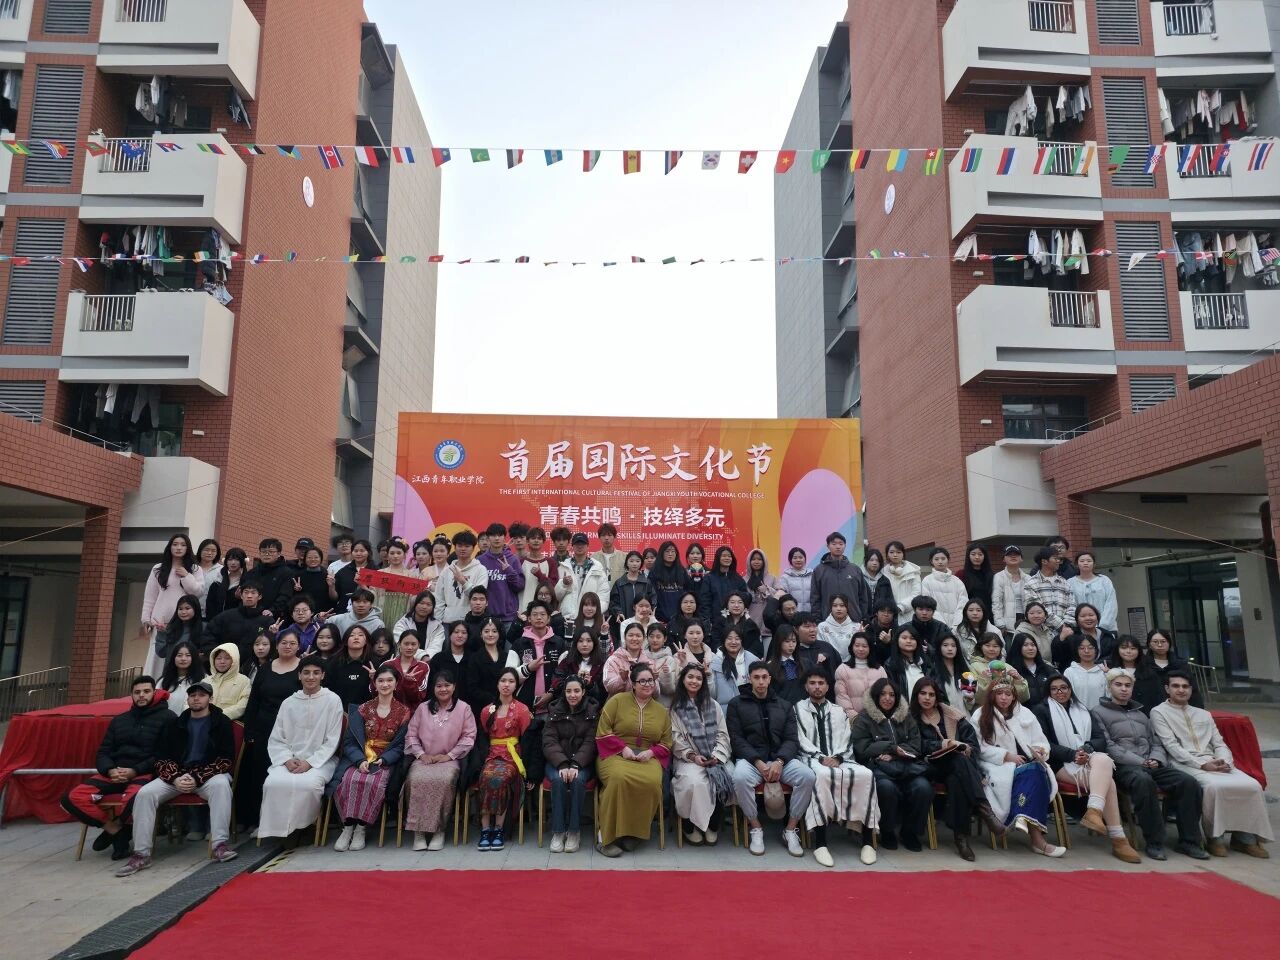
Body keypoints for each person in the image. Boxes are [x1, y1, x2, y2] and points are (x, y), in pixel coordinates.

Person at [115, 681, 237, 876]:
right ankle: (141, 854)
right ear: (187, 699)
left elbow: (225, 759)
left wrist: (197, 777)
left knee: (222, 786)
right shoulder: (175, 723)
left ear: (210, 699)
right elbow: (161, 757)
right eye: (192, 695)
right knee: (145, 794)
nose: (196, 698)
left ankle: (219, 845)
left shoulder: (221, 722)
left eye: (201, 695)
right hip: (177, 776)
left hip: (207, 776)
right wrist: (176, 778)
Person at [1151, 670, 1272, 858]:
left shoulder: (1203, 714)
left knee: (1252, 785)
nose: (1181, 690)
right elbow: (1171, 746)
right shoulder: (1159, 712)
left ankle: (1245, 838)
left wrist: (1225, 762)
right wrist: (1202, 765)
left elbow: (1219, 743)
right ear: (1167, 689)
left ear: (1191, 689)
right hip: (1183, 763)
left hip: (1215, 761)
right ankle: (1215, 838)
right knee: (1215, 787)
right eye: (1176, 686)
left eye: (1185, 686)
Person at [1092, 669, 1208, 861]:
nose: (1123, 689)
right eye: (1118, 685)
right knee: (1144, 782)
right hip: (1123, 767)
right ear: (1109, 687)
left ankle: (1189, 842)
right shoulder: (1098, 712)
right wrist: (1141, 762)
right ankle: (1155, 842)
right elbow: (1109, 746)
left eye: (1128, 685)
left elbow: (1156, 742)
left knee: (1188, 782)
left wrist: (1157, 759)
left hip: (1152, 764)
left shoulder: (1141, 714)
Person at [61, 676, 172, 860]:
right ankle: (114, 829)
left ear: (154, 692)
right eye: (137, 692)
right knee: (71, 798)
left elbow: (164, 755)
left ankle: (120, 837)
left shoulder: (168, 718)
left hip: (144, 773)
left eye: (146, 691)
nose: (141, 695)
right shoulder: (119, 720)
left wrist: (134, 770)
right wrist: (110, 770)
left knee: (135, 800)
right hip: (113, 773)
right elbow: (103, 752)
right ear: (131, 695)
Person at [1033, 674, 1141, 863]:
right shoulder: (1041, 710)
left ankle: (1095, 811)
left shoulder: (1083, 709)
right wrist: (1073, 755)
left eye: (1064, 687)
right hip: (1060, 764)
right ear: (1048, 692)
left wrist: (1087, 749)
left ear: (1070, 689)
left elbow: (1100, 739)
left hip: (1089, 759)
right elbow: (1044, 743)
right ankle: (1118, 838)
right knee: (1109, 784)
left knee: (1103, 759)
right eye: (1054, 689)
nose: (1060, 692)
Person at [910, 676, 1004, 861]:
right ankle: (985, 812)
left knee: (957, 776)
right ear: (916, 695)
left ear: (937, 697)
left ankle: (962, 838)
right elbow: (917, 746)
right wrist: (944, 744)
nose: (927, 698)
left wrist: (964, 748)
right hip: (928, 766)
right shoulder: (911, 718)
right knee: (958, 763)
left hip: (957, 767)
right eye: (923, 693)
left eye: (931, 694)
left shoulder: (953, 715)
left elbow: (974, 746)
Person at [726, 662, 814, 857]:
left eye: (764, 677)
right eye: (756, 677)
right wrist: (757, 761)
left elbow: (792, 739)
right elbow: (736, 739)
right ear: (749, 679)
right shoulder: (736, 704)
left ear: (770, 679)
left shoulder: (784, 705)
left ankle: (790, 829)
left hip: (781, 759)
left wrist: (780, 761)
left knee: (807, 776)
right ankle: (756, 826)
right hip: (751, 760)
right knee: (739, 778)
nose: (761, 682)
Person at [794, 668, 879, 867]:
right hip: (811, 758)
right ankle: (820, 843)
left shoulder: (838, 710)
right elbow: (799, 739)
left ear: (827, 686)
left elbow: (847, 738)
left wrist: (838, 757)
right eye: (812, 683)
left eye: (821, 683)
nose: (817, 687)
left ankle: (868, 841)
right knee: (822, 776)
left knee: (866, 775)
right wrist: (821, 757)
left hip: (841, 757)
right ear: (806, 686)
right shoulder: (797, 709)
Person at [972, 679, 1065, 857]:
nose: (1004, 698)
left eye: (1008, 694)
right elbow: (978, 748)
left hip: (1030, 764)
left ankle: (1021, 815)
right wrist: (1006, 756)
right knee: (1035, 773)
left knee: (1036, 770)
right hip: (999, 766)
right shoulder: (980, 715)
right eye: (999, 694)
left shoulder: (1025, 713)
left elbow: (1041, 741)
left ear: (1014, 696)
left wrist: (1041, 750)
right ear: (992, 695)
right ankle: (1038, 841)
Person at [328, 666, 410, 851]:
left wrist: (385, 759)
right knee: (348, 780)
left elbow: (401, 745)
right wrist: (359, 760)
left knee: (372, 782)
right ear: (374, 683)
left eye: (389, 680)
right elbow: (349, 742)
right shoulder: (363, 709)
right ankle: (347, 827)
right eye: (380, 680)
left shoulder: (404, 712)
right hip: (360, 756)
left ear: (396, 683)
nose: (385, 684)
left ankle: (361, 828)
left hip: (385, 760)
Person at [595, 663, 672, 857]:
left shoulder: (661, 711)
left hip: (647, 757)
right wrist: (622, 748)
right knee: (618, 778)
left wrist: (652, 752)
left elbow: (666, 743)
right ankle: (605, 838)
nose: (647, 684)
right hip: (614, 753)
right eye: (642, 681)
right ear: (634, 684)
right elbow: (603, 732)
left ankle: (633, 833)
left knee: (652, 782)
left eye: (650, 680)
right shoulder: (617, 701)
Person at [850, 678, 931, 851]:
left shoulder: (906, 716)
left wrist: (894, 755)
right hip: (878, 767)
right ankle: (887, 831)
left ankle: (910, 833)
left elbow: (916, 745)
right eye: (883, 694)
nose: (888, 698)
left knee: (923, 787)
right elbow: (861, 749)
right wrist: (891, 747)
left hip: (906, 766)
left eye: (892, 695)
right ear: (876, 696)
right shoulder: (864, 718)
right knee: (886, 788)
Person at [403, 670, 476, 850]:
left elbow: (469, 736)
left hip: (449, 760)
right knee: (415, 779)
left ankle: (439, 830)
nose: (443, 689)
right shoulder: (423, 708)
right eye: (439, 686)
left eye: (447, 685)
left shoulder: (464, 708)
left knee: (443, 780)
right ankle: (419, 832)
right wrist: (421, 754)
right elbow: (411, 735)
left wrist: (449, 755)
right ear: (433, 688)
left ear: (454, 687)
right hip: (424, 759)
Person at [237, 633, 303, 832]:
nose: (288, 646)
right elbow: (254, 701)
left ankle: (285, 822)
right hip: (264, 728)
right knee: (260, 774)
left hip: (293, 731)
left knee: (285, 775)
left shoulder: (304, 668)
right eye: (284, 643)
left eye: (292, 643)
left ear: (299, 646)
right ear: (277, 645)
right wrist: (249, 730)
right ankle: (258, 820)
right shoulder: (266, 668)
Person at [669, 664, 733, 847]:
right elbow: (675, 738)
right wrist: (692, 756)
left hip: (716, 757)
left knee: (727, 777)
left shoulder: (713, 705)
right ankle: (689, 827)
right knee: (694, 782)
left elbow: (723, 734)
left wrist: (717, 756)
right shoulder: (676, 708)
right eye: (690, 677)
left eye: (699, 678)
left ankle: (713, 825)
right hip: (688, 758)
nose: (694, 681)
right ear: (683, 680)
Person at [476, 668, 532, 851]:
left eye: (511, 681)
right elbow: (483, 736)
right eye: (503, 681)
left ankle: (499, 828)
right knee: (486, 777)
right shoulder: (487, 710)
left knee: (500, 779)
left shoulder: (522, 710)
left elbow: (527, 738)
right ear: (497, 683)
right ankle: (485, 829)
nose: (506, 685)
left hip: (512, 757)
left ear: (516, 685)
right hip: (491, 755)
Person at [541, 676, 599, 853]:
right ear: (564, 693)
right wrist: (562, 764)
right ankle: (558, 832)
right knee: (558, 781)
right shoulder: (555, 711)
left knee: (578, 780)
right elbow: (549, 741)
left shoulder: (592, 712)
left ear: (583, 692)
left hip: (582, 763)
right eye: (568, 691)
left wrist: (575, 765)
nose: (572, 695)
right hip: (557, 762)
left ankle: (574, 831)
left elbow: (590, 742)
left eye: (576, 691)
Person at [140, 535, 206, 678]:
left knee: (181, 656)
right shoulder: (158, 568)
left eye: (183, 545)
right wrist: (146, 619)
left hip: (185, 623)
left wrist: (186, 576)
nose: (178, 548)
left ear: (188, 548)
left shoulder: (195, 569)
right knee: (157, 658)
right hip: (160, 622)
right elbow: (150, 597)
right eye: (175, 544)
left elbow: (198, 592)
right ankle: (155, 687)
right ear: (169, 547)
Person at [200, 582, 271, 667]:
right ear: (241, 595)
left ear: (259, 596)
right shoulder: (226, 616)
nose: (249, 596)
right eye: (246, 592)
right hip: (224, 665)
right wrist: (218, 655)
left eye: (253, 593)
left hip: (254, 667)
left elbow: (271, 645)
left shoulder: (266, 620)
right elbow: (208, 636)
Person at [464, 616, 521, 720]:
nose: (490, 634)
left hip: (507, 706)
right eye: (486, 631)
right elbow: (472, 687)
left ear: (499, 634)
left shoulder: (507, 657)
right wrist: (493, 699)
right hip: (482, 708)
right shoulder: (475, 658)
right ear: (481, 634)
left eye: (494, 631)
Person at [1134, 629, 1203, 712]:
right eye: (1155, 642)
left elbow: (1193, 691)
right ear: (1149, 644)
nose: (1160, 645)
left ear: (1169, 643)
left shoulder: (1181, 665)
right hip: (1150, 711)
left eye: (1163, 641)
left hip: (1179, 710)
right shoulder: (1142, 665)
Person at [811, 532, 871, 622]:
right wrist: (817, 619)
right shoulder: (819, 570)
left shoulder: (855, 570)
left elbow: (863, 596)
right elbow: (815, 598)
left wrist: (862, 616)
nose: (838, 547)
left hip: (853, 620)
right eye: (834, 544)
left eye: (841, 544)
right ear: (828, 546)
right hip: (827, 621)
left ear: (845, 546)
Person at [432, 530, 488, 624]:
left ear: (473, 548)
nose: (463, 549)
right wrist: (437, 623)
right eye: (460, 545)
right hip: (448, 622)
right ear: (454, 547)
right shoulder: (446, 572)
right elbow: (439, 600)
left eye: (467, 546)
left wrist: (463, 581)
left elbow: (479, 597)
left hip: (472, 621)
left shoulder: (481, 570)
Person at [477, 524, 525, 628]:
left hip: (509, 617)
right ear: (488, 538)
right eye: (493, 535)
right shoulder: (480, 561)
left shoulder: (513, 559)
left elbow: (519, 586)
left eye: (500, 535)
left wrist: (509, 571)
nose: (497, 538)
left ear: (504, 537)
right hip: (487, 617)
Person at [556, 532, 609, 625]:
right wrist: (563, 584)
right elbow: (555, 597)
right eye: (577, 544)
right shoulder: (563, 567)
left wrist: (592, 612)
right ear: (572, 547)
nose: (580, 546)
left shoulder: (597, 568)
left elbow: (604, 596)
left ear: (588, 546)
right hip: (567, 618)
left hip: (590, 620)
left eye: (582, 544)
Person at [1023, 547, 1076, 635]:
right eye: (1055, 558)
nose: (1058, 561)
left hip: (1065, 632)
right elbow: (1035, 609)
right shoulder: (1031, 584)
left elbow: (1072, 606)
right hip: (1041, 632)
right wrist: (1060, 625)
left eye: (1059, 559)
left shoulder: (1064, 582)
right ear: (1044, 561)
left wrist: (1067, 625)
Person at [835, 633, 888, 721]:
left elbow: (885, 694)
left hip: (878, 719)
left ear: (870, 648)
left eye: (864, 646)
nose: (860, 649)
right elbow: (841, 697)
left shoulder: (880, 670)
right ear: (852, 647)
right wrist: (855, 718)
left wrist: (880, 716)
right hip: (853, 721)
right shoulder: (843, 669)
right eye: (857, 645)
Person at [969, 632, 1029, 705]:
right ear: (981, 647)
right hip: (985, 708)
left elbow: (1023, 698)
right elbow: (976, 697)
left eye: (995, 646)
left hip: (1007, 708)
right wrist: (983, 679)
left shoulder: (1007, 667)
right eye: (987, 645)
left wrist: (1018, 680)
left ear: (1000, 648)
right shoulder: (974, 666)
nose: (991, 649)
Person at [324, 625, 375, 709]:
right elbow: (327, 688)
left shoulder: (373, 663)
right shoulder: (333, 662)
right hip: (337, 709)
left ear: (366, 641)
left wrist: (374, 679)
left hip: (366, 710)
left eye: (360, 635)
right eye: (352, 635)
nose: (356, 637)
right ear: (345, 641)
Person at [553, 626, 608, 704]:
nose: (584, 644)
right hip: (568, 707)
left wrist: (590, 685)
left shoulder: (602, 664)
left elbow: (604, 692)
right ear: (576, 643)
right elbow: (556, 683)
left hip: (593, 707)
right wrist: (574, 679)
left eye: (589, 641)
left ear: (594, 643)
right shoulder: (567, 661)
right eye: (580, 641)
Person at [1068, 551, 1118, 633]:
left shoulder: (1104, 580)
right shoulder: (1070, 582)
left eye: (1089, 561)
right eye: (1082, 561)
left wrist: (1103, 626)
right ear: (1077, 564)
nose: (1085, 563)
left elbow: (1111, 603)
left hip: (1107, 628)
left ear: (1094, 564)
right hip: (1081, 630)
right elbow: (1070, 606)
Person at [710, 627, 760, 708]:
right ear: (724, 640)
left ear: (742, 641)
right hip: (725, 710)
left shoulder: (752, 660)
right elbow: (712, 694)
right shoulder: (715, 661)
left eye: (737, 639)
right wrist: (708, 677)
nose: (733, 642)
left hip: (750, 707)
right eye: (729, 638)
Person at [244, 538, 294, 619]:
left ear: (279, 553)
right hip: (250, 615)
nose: (267, 554)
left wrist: (272, 610)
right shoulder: (252, 573)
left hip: (273, 616)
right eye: (263, 551)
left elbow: (285, 595)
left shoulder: (286, 572)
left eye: (271, 551)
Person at [921, 547, 966, 629]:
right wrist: (942, 626)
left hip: (957, 627)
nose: (940, 562)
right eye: (936, 559)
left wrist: (956, 624)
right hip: (936, 626)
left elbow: (963, 603)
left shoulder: (957, 581)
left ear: (948, 560)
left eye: (943, 559)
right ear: (931, 561)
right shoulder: (927, 580)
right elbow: (928, 604)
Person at [608, 550, 656, 627]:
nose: (634, 564)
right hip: (624, 622)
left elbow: (653, 599)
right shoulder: (619, 583)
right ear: (627, 563)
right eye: (631, 561)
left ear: (641, 563)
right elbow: (614, 602)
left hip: (643, 621)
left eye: (637, 561)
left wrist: (650, 610)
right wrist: (618, 612)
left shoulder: (646, 582)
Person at [386, 629, 431, 711]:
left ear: (418, 645)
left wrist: (410, 683)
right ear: (399, 644)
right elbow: (378, 692)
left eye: (413, 644)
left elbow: (419, 697)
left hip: (413, 713)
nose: (410, 647)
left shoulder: (423, 667)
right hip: (389, 712)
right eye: (406, 644)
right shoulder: (387, 665)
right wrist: (373, 680)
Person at [700, 546, 749, 620]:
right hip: (715, 621)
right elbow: (705, 603)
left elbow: (746, 596)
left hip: (735, 621)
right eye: (724, 556)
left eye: (729, 556)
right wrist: (707, 621)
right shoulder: (709, 578)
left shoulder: (737, 578)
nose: (727, 558)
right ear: (718, 558)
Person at [604, 621, 653, 695]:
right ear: (624, 637)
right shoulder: (613, 660)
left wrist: (654, 679)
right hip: (619, 702)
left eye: (638, 636)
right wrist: (621, 679)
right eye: (630, 635)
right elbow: (609, 688)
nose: (634, 638)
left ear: (644, 638)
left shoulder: (649, 662)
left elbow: (656, 694)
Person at [929, 633, 974, 713]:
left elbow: (970, 705)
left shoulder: (964, 671)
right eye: (945, 645)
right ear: (939, 647)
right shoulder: (934, 672)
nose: (950, 649)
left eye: (953, 646)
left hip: (965, 715)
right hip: (945, 716)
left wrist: (970, 699)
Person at [649, 541, 693, 623]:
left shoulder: (682, 571)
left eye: (673, 551)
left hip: (680, 617)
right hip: (660, 617)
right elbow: (651, 594)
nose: (670, 554)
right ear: (662, 553)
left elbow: (688, 591)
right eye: (667, 551)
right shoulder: (654, 572)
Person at [1007, 633, 1055, 707]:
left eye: (1033, 645)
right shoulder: (1012, 672)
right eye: (1025, 645)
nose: (1030, 648)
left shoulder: (1047, 669)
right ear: (1018, 647)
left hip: (1050, 710)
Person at [159, 640, 205, 716]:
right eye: (179, 655)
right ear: (174, 658)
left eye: (188, 655)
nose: (183, 658)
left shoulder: (203, 680)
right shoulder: (164, 681)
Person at [393, 590, 445, 655]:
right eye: (421, 603)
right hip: (405, 659)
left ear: (433, 608)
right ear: (415, 604)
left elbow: (436, 648)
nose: (424, 607)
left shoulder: (438, 627)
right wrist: (422, 656)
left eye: (428, 604)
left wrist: (426, 657)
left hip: (429, 659)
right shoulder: (402, 624)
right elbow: (404, 646)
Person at [883, 627, 929, 701]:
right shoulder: (890, 665)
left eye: (912, 638)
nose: (908, 641)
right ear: (897, 640)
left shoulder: (925, 663)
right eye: (904, 638)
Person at [157, 594, 202, 668]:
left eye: (187, 608)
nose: (183, 612)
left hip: (194, 671)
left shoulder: (204, 628)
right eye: (180, 609)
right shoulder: (171, 628)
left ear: (195, 609)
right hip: (171, 672)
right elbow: (161, 653)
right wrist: (161, 633)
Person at [712, 591, 763, 657]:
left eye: (740, 602)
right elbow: (715, 642)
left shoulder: (750, 624)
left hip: (745, 658)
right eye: (732, 602)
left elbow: (756, 647)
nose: (736, 605)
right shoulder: (720, 622)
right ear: (727, 605)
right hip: (723, 657)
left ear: (745, 606)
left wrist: (742, 657)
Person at [990, 545, 1026, 636]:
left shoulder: (1028, 578)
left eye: (1016, 554)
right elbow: (996, 602)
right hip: (1007, 626)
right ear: (1004, 559)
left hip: (1026, 621)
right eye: (1009, 554)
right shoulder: (998, 577)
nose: (1013, 556)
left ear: (1021, 559)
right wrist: (1000, 623)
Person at [882, 542, 921, 625]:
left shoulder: (913, 572)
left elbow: (916, 594)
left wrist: (901, 607)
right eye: (891, 552)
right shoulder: (882, 573)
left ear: (903, 554)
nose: (895, 555)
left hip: (910, 615)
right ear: (887, 554)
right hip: (889, 616)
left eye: (898, 552)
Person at [1065, 634, 1108, 710]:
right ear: (1076, 650)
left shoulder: (1103, 671)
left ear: (1096, 650)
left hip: (1100, 714)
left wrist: (1109, 676)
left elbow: (1110, 697)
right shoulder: (1070, 672)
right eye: (1082, 648)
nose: (1086, 651)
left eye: (1090, 648)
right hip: (1076, 713)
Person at [764, 624, 804, 704]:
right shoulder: (770, 667)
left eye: (794, 641)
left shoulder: (804, 663)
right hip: (780, 707)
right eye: (787, 641)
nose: (791, 645)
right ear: (779, 642)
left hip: (803, 707)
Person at [208, 642, 250, 720]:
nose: (222, 661)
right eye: (218, 658)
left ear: (234, 660)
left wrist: (217, 716)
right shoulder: (206, 680)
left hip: (227, 724)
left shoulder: (244, 681)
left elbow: (242, 706)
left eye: (227, 658)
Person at [205, 547, 248, 619]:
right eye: (230, 559)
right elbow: (210, 606)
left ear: (243, 561)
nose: (233, 562)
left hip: (237, 622)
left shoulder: (247, 582)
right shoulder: (217, 582)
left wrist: (241, 598)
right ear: (225, 561)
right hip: (217, 622)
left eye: (237, 559)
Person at [745, 548, 779, 633]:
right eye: (753, 559)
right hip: (749, 625)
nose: (756, 562)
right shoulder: (743, 579)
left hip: (767, 626)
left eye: (759, 559)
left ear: (764, 561)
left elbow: (777, 598)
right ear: (749, 561)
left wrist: (766, 590)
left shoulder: (772, 578)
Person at [645, 624, 678, 707]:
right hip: (644, 703)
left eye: (658, 637)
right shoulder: (642, 657)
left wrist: (667, 674)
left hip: (663, 705)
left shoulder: (669, 660)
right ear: (647, 638)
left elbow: (670, 690)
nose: (654, 640)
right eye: (651, 636)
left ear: (665, 639)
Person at [1013, 600, 1055, 665]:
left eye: (1039, 613)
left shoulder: (1048, 631)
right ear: (1026, 615)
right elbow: (1018, 654)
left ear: (1045, 615)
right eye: (1032, 613)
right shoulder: (1021, 631)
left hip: (1048, 666)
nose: (1036, 616)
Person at [818, 595, 858, 662]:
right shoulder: (822, 627)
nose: (838, 609)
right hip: (829, 664)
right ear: (830, 607)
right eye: (835, 605)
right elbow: (821, 649)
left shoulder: (857, 626)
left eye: (842, 605)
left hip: (852, 664)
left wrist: (860, 635)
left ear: (847, 607)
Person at [775, 547, 813, 613]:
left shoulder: (812, 575)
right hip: (792, 613)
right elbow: (783, 598)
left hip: (810, 613)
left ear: (805, 559)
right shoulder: (785, 577)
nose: (798, 560)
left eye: (800, 557)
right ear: (790, 560)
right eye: (795, 558)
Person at [958, 543, 994, 610]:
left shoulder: (992, 575)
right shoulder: (961, 574)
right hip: (969, 613)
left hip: (989, 612)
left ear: (985, 556)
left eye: (980, 554)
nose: (977, 557)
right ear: (968, 556)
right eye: (973, 554)